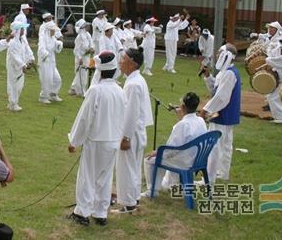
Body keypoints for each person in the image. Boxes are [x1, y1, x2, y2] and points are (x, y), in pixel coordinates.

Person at [67, 52, 127, 227]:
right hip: (113, 140)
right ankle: (100, 213)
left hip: (96, 140)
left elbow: (85, 119)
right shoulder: (120, 91)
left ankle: (82, 212)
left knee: (87, 176)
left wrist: (74, 141)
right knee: (105, 177)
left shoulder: (96, 91)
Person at [142, 92, 207, 197]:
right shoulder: (201, 120)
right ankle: (169, 183)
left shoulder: (182, 125)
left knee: (150, 160)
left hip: (185, 161)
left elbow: (170, 150)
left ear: (183, 106)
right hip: (197, 159)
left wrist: (157, 152)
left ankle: (152, 191)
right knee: (166, 155)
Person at [114, 48, 153, 214]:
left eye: (123, 59)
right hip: (137, 132)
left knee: (126, 168)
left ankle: (128, 204)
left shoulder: (133, 84)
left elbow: (130, 113)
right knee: (133, 167)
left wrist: (126, 137)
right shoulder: (136, 80)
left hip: (131, 133)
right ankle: (133, 197)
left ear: (132, 63)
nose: (120, 62)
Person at [200, 43, 241, 182]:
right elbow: (216, 89)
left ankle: (210, 178)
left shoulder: (229, 73)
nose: (217, 55)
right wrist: (208, 76)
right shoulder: (226, 72)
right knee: (225, 145)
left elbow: (221, 97)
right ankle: (223, 173)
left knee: (215, 147)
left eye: (220, 52)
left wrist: (206, 109)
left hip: (222, 114)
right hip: (226, 113)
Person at [6, 21, 35, 112]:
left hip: (21, 64)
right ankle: (13, 103)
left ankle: (13, 102)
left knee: (20, 85)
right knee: (13, 84)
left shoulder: (23, 39)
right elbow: (14, 56)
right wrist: (22, 65)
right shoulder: (12, 42)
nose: (23, 30)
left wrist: (31, 58)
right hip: (13, 65)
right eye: (22, 28)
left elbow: (27, 49)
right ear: (17, 30)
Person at [38, 22, 64, 104]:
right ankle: (43, 96)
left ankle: (53, 94)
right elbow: (41, 49)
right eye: (53, 30)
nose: (54, 32)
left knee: (57, 79)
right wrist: (46, 54)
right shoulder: (43, 38)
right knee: (47, 79)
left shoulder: (53, 38)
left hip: (52, 62)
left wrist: (59, 44)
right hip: (45, 62)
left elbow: (57, 48)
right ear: (48, 30)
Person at [69, 19, 94, 97]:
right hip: (80, 58)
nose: (89, 26)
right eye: (87, 25)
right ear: (83, 26)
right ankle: (81, 91)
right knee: (81, 74)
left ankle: (74, 88)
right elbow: (76, 50)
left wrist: (92, 48)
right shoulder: (79, 37)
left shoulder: (88, 35)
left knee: (84, 74)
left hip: (87, 57)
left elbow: (91, 43)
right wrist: (79, 58)